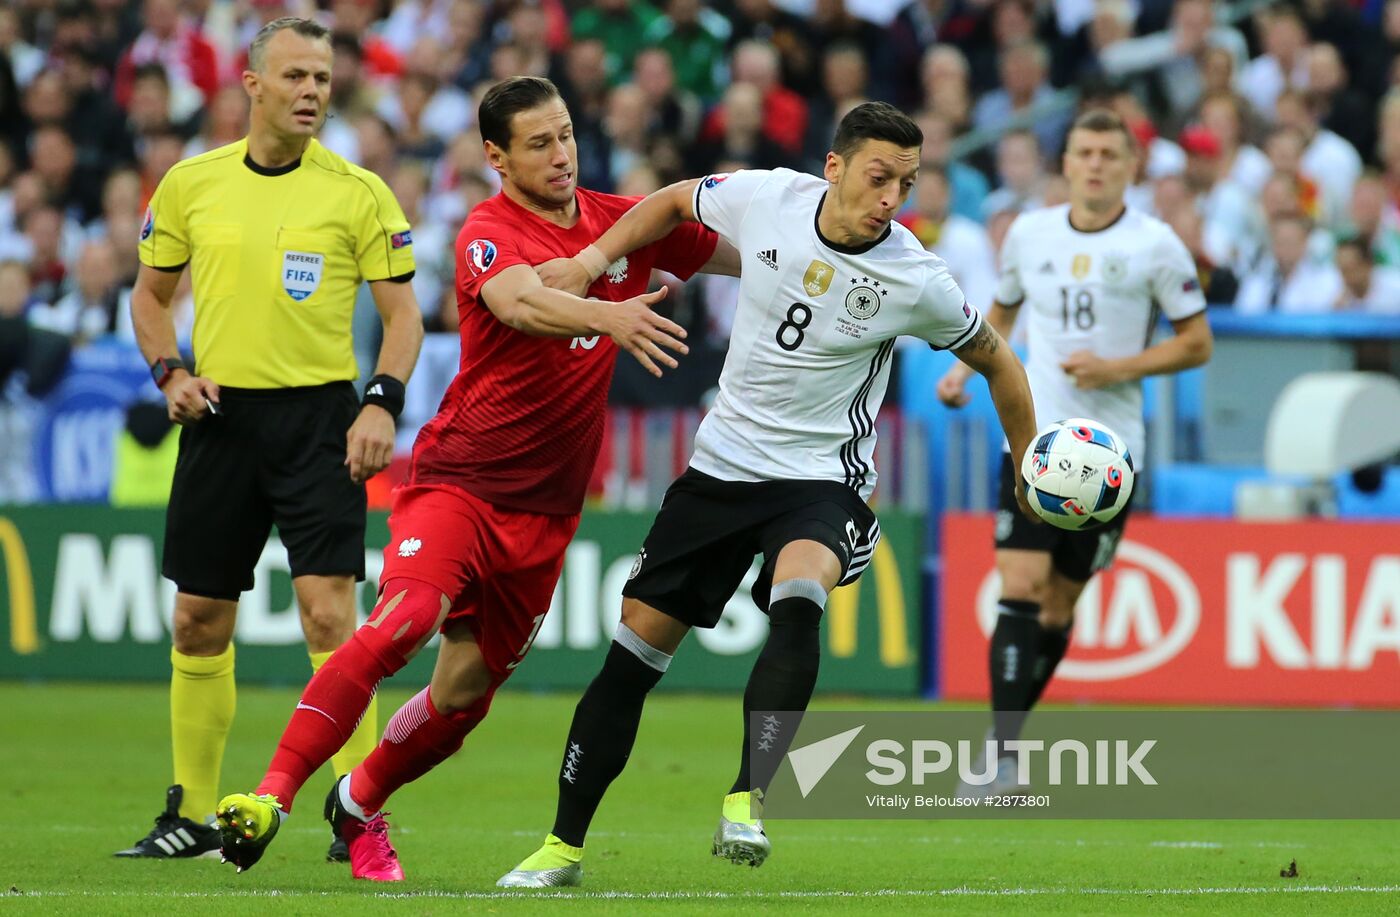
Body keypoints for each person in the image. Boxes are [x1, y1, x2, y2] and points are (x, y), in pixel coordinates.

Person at [497, 101, 1040, 889]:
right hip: (721, 469)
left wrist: (1025, 463)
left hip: (823, 478)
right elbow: (673, 201)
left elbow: (1001, 363)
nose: (891, 198)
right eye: (879, 177)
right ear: (835, 168)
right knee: (635, 655)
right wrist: (588, 263)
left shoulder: (918, 277)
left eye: (907, 183)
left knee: (798, 593)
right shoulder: (768, 197)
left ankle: (748, 796)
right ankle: (562, 847)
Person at [213, 75, 734, 881]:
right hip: (461, 480)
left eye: (564, 134)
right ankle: (269, 796)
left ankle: (355, 802)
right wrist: (611, 312)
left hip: (547, 515)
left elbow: (754, 255)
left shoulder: (615, 224)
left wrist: (814, 252)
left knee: (461, 697)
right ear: (496, 156)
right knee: (404, 619)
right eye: (538, 143)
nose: (560, 154)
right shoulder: (487, 230)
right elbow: (522, 303)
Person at [115, 17, 424, 863]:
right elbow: (149, 297)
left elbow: (404, 318)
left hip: (322, 419)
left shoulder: (358, 191)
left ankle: (356, 809)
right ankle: (192, 811)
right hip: (222, 420)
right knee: (197, 619)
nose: (311, 92)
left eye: (322, 78)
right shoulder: (191, 182)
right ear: (251, 85)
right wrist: (170, 373)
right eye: (294, 77)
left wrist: (381, 403)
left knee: (331, 616)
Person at [936, 109, 1214, 796]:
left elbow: (1197, 342)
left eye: (1108, 154)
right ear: (1066, 163)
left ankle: (1008, 741)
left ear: (1130, 166)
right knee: (1020, 585)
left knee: (1059, 605)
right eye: (1084, 152)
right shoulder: (1030, 233)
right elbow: (1001, 314)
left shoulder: (1157, 246)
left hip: (1113, 456)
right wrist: (963, 370)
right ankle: (1001, 758)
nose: (1094, 164)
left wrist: (1120, 368)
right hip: (1037, 437)